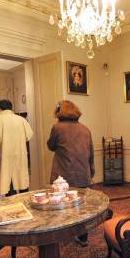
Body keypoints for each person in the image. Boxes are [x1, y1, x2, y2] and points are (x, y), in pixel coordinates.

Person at [47, 100, 94, 246]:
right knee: (82, 206)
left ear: (60, 111)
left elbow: (51, 146)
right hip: (83, 173)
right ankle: (83, 237)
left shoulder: (57, 128)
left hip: (63, 176)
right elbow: (91, 153)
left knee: (62, 204)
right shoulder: (86, 129)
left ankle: (64, 233)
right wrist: (91, 172)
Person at [0, 100, 33, 196]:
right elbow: (29, 135)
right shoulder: (21, 120)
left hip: (5, 156)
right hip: (20, 154)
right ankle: (25, 204)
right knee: (22, 182)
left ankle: (13, 208)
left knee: (8, 184)